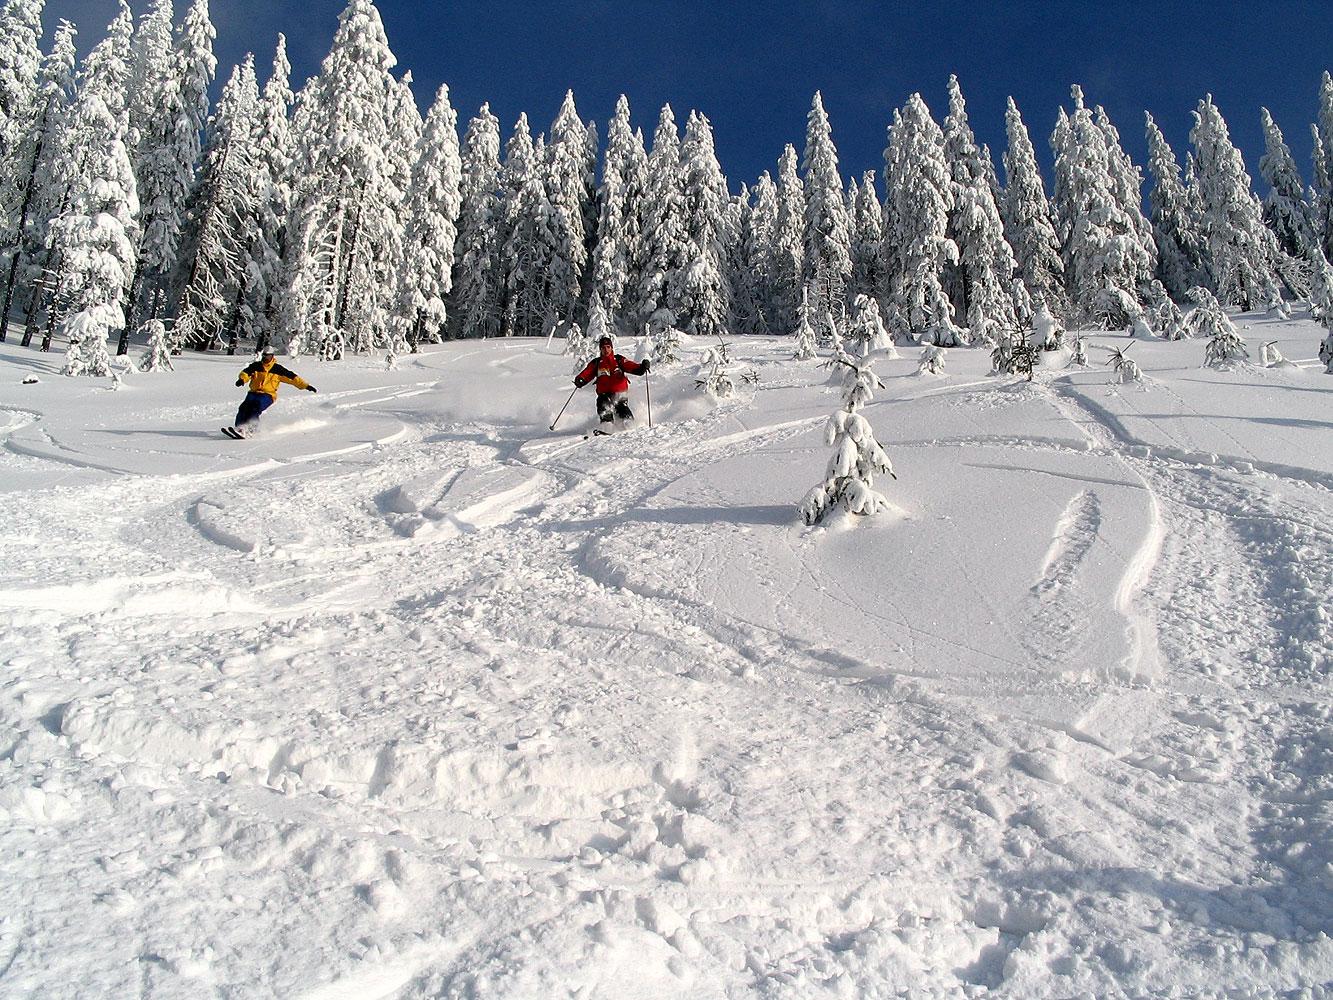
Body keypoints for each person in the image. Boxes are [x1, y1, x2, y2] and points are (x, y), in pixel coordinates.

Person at [226, 348, 317, 437]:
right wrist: (242, 380)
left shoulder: (278, 369)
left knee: (255, 408)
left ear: (272, 356)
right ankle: (240, 428)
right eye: (264, 355)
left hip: (268, 395)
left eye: (268, 356)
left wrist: (306, 386)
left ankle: (252, 430)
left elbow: (293, 378)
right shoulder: (256, 366)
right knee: (244, 408)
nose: (265, 358)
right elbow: (245, 373)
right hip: (253, 392)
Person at [574, 336, 649, 431]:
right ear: (600, 349)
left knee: (621, 407)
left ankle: (630, 425)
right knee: (603, 403)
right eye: (603, 348)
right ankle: (607, 426)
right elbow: (587, 373)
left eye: (608, 347)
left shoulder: (618, 360)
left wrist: (642, 367)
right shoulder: (596, 363)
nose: (606, 350)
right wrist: (580, 379)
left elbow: (632, 367)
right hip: (604, 394)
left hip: (620, 394)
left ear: (611, 348)